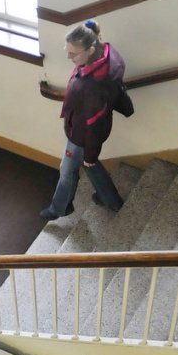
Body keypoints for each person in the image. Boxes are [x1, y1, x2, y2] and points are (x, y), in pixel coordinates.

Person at [40, 19, 126, 221]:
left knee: (68, 169)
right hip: (88, 128)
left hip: (82, 134)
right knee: (91, 164)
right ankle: (111, 200)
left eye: (73, 53)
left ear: (90, 50)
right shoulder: (109, 55)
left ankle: (59, 208)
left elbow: (94, 125)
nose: (68, 56)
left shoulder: (93, 87)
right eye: (67, 49)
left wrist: (90, 152)